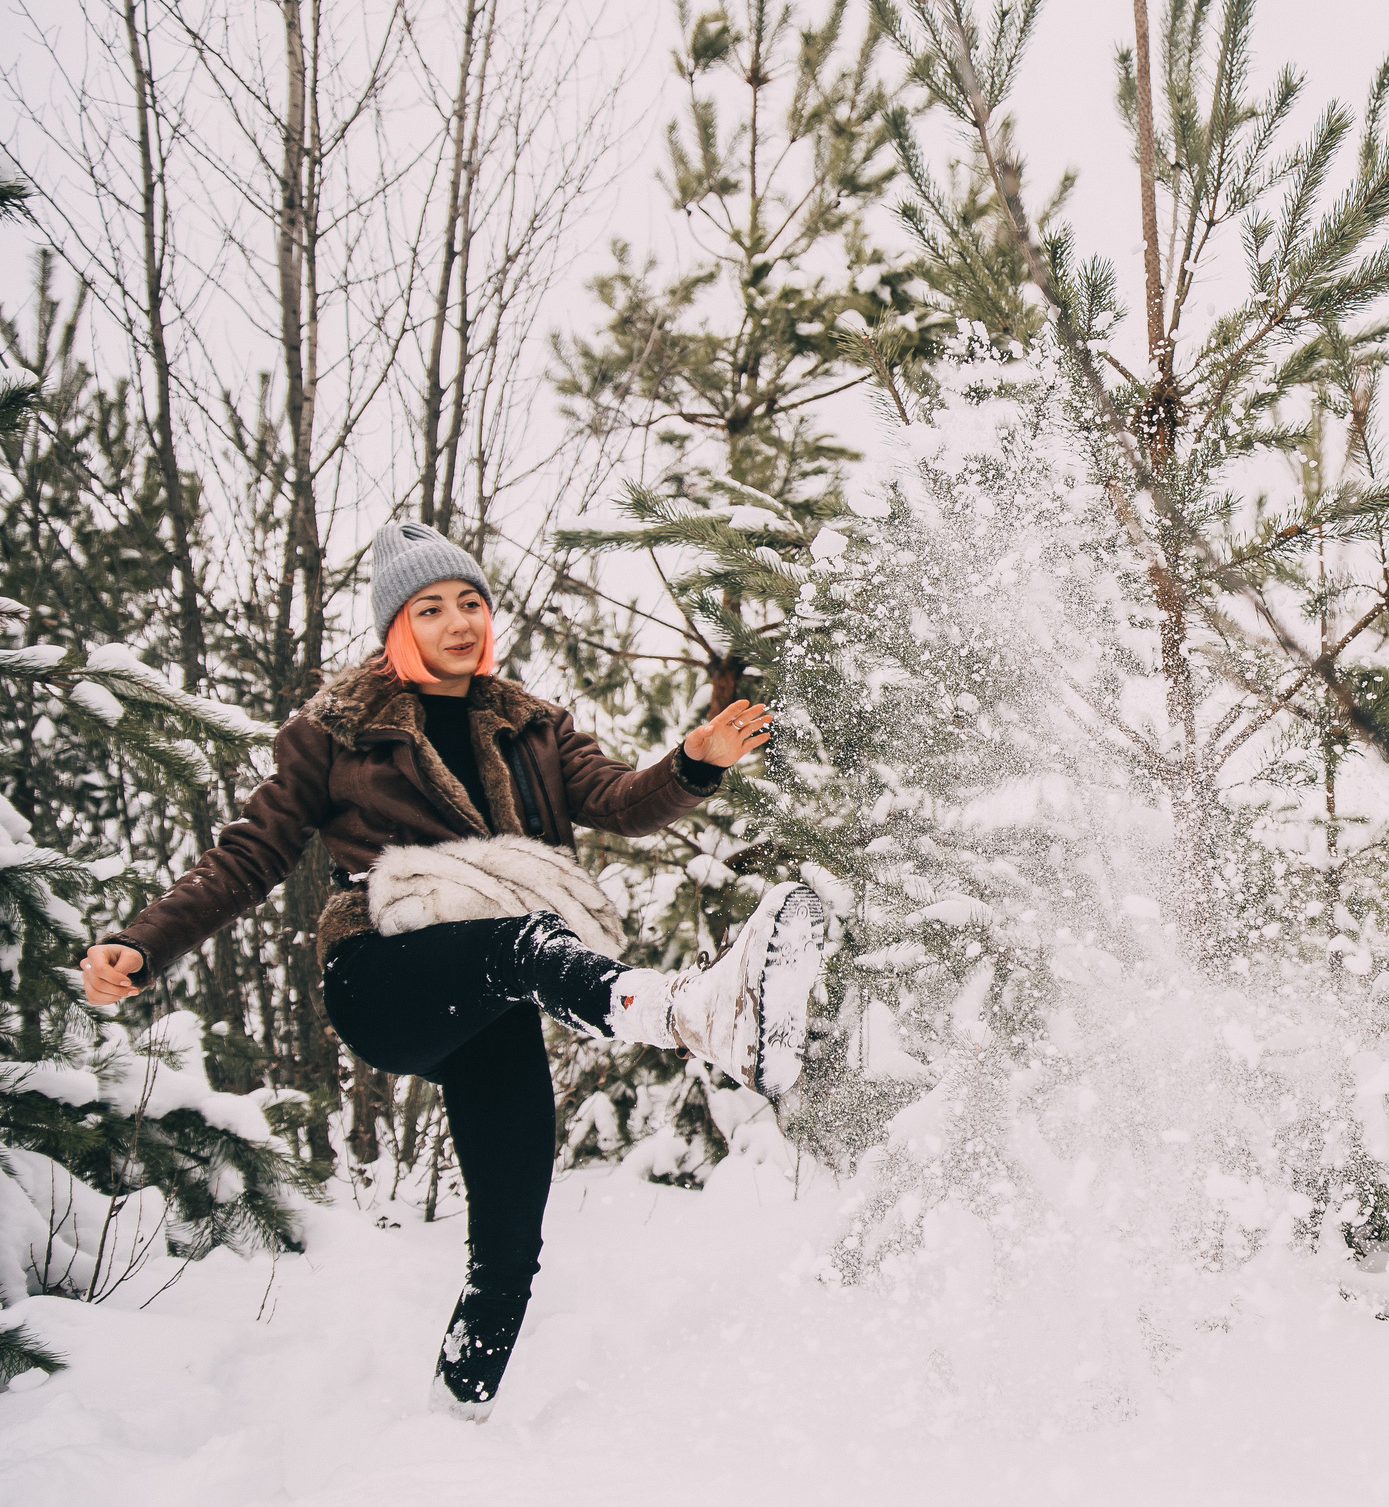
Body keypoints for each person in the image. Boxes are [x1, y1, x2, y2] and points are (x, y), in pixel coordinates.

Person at [78, 520, 829, 1421]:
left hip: (495, 991)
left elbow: (622, 805)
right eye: (431, 608)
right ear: (398, 627)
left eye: (471, 602)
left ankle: (456, 1415)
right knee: (522, 938)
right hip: (385, 971)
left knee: (511, 1235)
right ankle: (680, 1010)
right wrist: (146, 942)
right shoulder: (334, 734)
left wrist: (694, 764)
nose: (459, 622)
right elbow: (249, 854)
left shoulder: (534, 726)